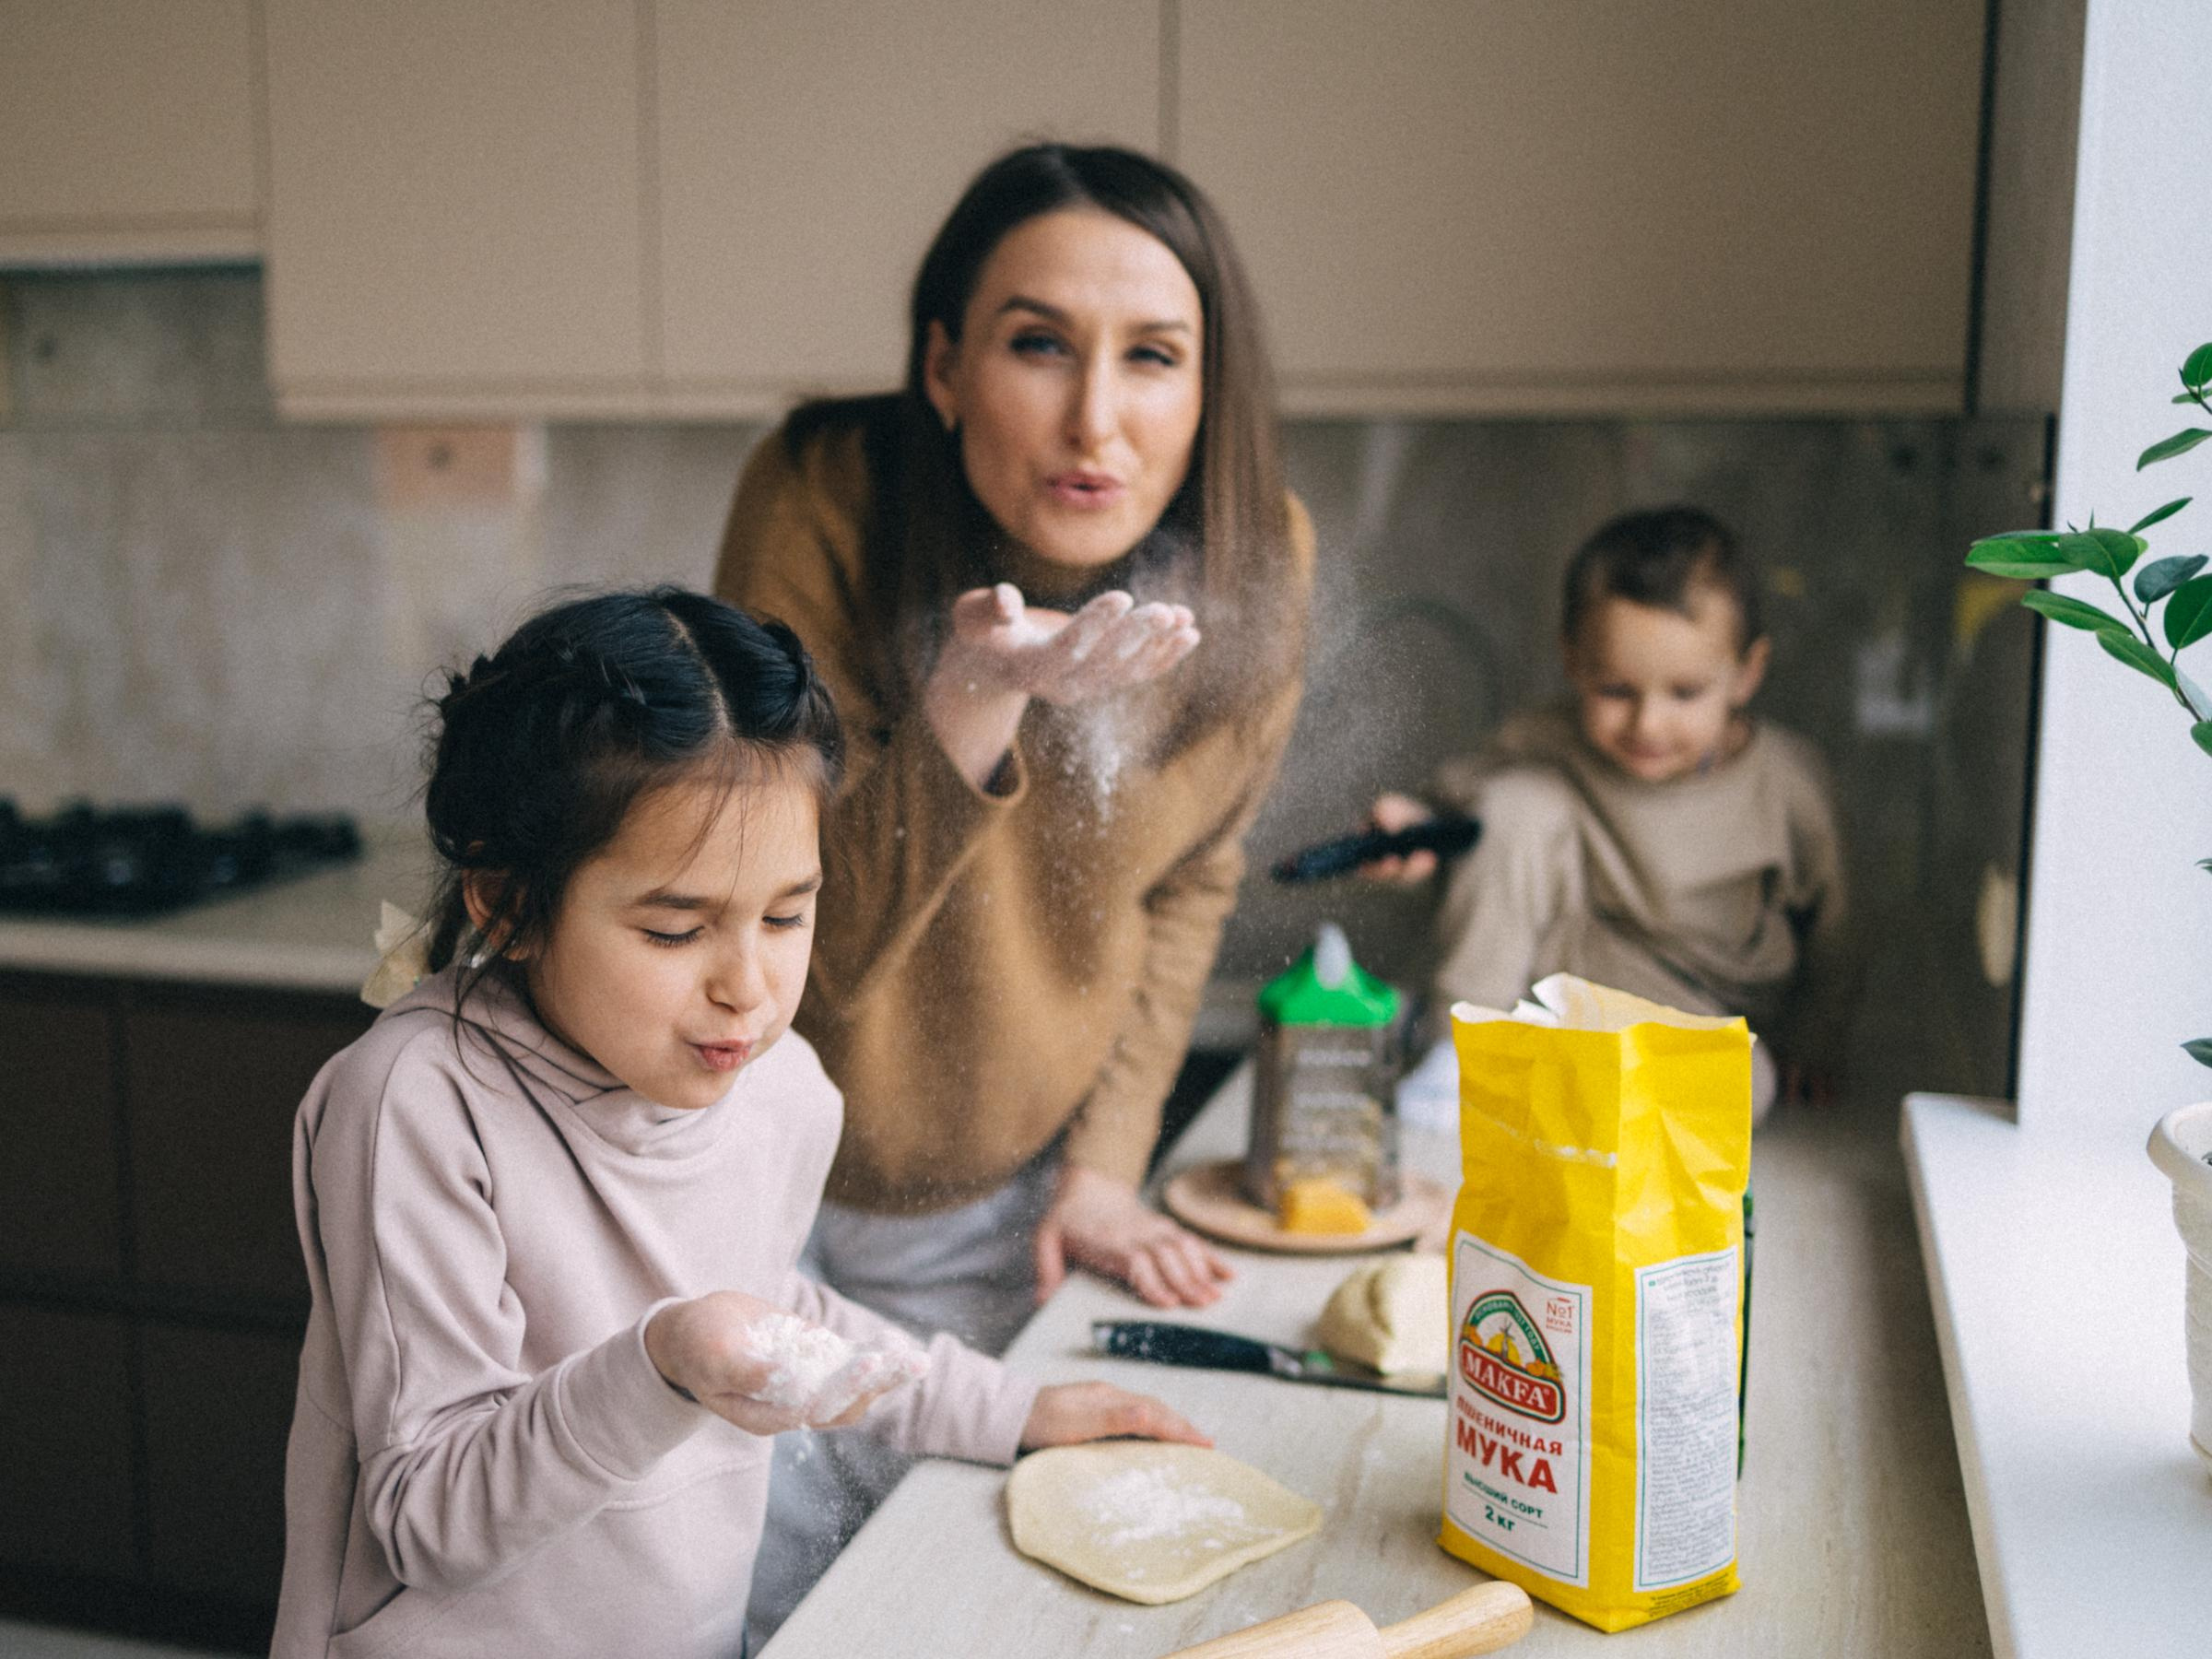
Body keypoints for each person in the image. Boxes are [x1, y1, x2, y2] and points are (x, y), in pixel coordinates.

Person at [270, 589, 1204, 1659]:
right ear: (506, 903)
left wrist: (1008, 1412)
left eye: (788, 915)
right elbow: (426, 1516)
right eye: (677, 929)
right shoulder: (418, 1107)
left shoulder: (779, 1089)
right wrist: (662, 1364)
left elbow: (770, 1313)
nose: (749, 989)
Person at [712, 141, 1310, 1639]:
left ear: (1208, 387)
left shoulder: (1261, 563)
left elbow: (1191, 885)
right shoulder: (826, 496)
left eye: (1154, 357)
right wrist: (972, 703)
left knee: (935, 1594)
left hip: (990, 1176)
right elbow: (792, 946)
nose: (1094, 420)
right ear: (943, 364)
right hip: (734, 1152)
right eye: (1038, 344)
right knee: (748, 1600)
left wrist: (1107, 1163)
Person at [1365, 507, 1848, 1121]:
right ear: (1574, 662)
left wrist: (1817, 1040)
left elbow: (1839, 930)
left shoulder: (1788, 784)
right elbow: (1459, 819)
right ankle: (1464, 1045)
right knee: (1519, 804)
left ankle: (1573, 1088)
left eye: (1685, 693)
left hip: (1699, 1007)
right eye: (1616, 691)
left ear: (1746, 675)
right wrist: (1412, 833)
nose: (1647, 724)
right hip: (1571, 964)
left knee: (1743, 1087)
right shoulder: (1548, 736)